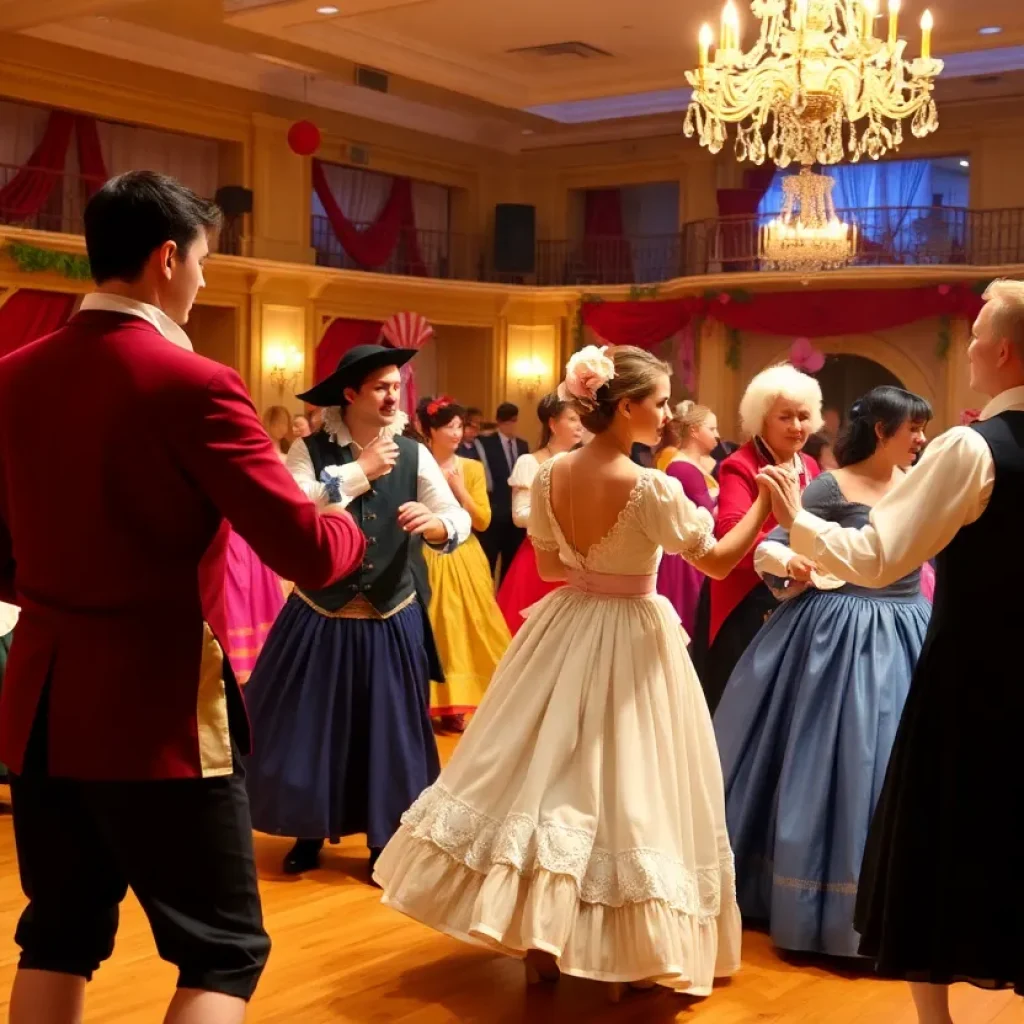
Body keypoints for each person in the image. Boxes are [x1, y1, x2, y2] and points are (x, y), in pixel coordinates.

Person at [0, 170, 365, 1024]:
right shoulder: (192, 383)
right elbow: (308, 553)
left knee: (57, 932)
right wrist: (350, 517)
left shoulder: (11, 376)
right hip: (157, 711)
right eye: (203, 261)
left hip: (44, 703)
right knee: (223, 951)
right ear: (168, 258)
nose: (203, 281)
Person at [374, 345, 775, 1000]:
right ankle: (629, 947)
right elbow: (719, 562)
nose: (668, 415)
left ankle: (542, 943)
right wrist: (765, 504)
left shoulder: (553, 473)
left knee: (550, 776)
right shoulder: (651, 485)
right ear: (623, 408)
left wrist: (600, 567)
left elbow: (554, 567)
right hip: (632, 634)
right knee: (628, 785)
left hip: (563, 626)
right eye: (660, 402)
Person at [760, 279, 1024, 1024]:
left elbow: (878, 556)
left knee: (937, 836)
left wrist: (796, 522)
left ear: (1001, 351)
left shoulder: (972, 448)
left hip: (972, 676)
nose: (967, 350)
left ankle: (935, 1021)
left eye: (974, 336)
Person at [715, 386, 933, 959]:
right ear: (882, 431)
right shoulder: (831, 486)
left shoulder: (920, 485)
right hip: (837, 632)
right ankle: (817, 903)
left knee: (892, 760)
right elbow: (771, 548)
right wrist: (794, 563)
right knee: (837, 756)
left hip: (907, 625)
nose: (921, 439)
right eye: (913, 428)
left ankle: (892, 900)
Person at [243, 345, 472, 879]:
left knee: (387, 732)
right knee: (312, 726)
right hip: (321, 612)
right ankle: (307, 831)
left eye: (397, 386)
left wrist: (436, 526)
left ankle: (382, 842)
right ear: (350, 394)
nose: (394, 396)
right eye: (381, 387)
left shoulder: (414, 454)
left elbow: (455, 516)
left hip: (392, 613)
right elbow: (298, 506)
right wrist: (360, 470)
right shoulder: (310, 448)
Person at [693, 364, 821, 714]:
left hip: (799, 594)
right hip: (746, 599)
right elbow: (731, 531)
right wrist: (788, 555)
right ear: (762, 418)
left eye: (804, 416)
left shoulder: (809, 463)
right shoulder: (740, 464)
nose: (797, 426)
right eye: (785, 417)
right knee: (741, 706)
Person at [416, 396, 510, 733]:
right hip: (424, 551)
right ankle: (427, 700)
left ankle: (462, 702)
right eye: (448, 427)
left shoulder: (470, 468)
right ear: (429, 431)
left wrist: (459, 490)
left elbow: (483, 520)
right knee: (433, 625)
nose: (456, 433)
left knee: (469, 626)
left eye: (459, 426)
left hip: (464, 554)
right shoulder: (415, 463)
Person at [495, 393, 584, 636]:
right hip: (540, 556)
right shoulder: (530, 461)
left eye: (581, 419)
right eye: (573, 419)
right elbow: (520, 514)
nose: (580, 425)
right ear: (553, 424)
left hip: (579, 557)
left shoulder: (587, 462)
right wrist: (560, 512)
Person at [656, 402, 721, 639]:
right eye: (712, 429)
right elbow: (708, 512)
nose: (717, 435)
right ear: (694, 430)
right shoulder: (682, 467)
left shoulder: (690, 465)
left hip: (692, 548)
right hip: (686, 556)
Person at [477, 402, 529, 584]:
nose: (512, 425)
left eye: (514, 421)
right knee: (488, 561)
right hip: (494, 511)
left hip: (515, 513)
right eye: (508, 421)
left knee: (511, 563)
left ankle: (504, 601)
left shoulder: (523, 445)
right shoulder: (485, 443)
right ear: (499, 422)